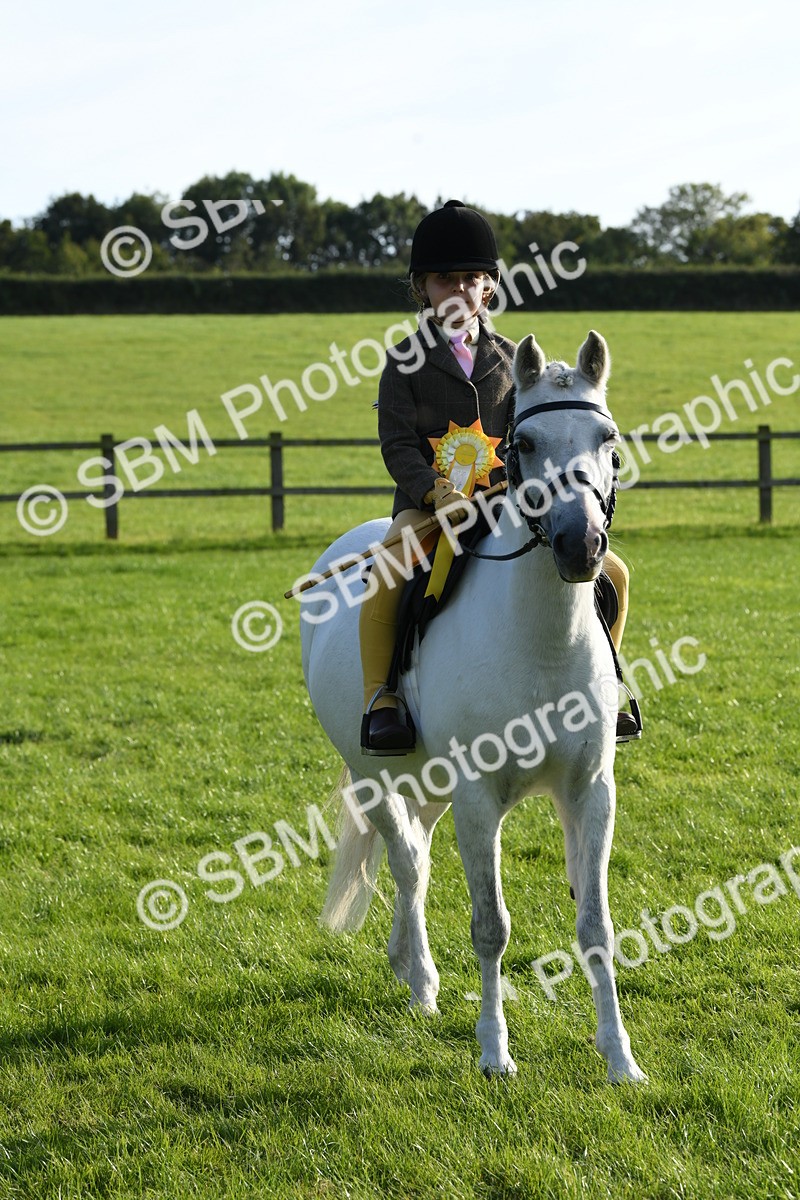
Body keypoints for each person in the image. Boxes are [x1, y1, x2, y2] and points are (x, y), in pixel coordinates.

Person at [360, 200, 635, 755]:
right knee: (389, 569)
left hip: (507, 506)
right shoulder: (404, 361)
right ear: (422, 289)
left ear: (489, 287)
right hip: (429, 508)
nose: (458, 290)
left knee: (616, 573)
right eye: (444, 280)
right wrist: (436, 493)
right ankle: (381, 699)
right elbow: (397, 445)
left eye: (471, 279)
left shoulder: (513, 360)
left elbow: (531, 440)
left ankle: (608, 685)